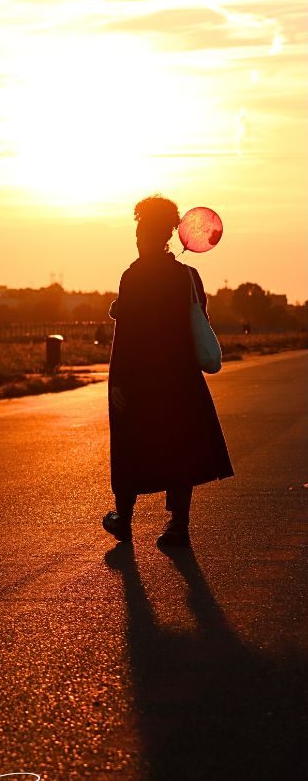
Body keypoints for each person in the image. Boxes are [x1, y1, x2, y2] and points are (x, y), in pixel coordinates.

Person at [102, 195, 234, 548]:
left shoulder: (134, 276)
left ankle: (124, 519)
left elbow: (125, 337)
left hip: (140, 379)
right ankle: (179, 524)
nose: (138, 236)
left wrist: (117, 382)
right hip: (179, 379)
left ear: (146, 234)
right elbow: (198, 321)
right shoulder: (187, 276)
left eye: (140, 230)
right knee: (179, 448)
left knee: (131, 445)